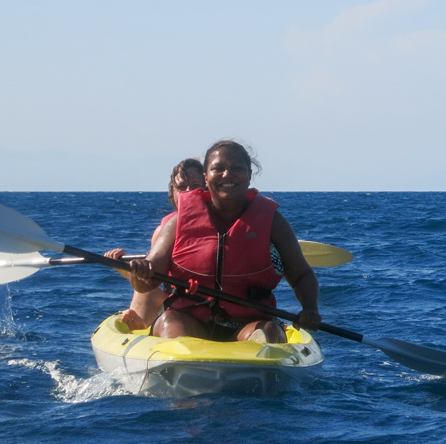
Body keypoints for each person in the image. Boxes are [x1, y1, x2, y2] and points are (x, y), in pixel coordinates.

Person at [120, 140, 322, 342]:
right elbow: (148, 282)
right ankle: (183, 364)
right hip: (189, 320)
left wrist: (310, 309)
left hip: (249, 324)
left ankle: (257, 363)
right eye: (218, 168)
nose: (227, 174)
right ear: (206, 177)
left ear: (250, 175)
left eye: (237, 168)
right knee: (169, 322)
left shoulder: (273, 222)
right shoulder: (178, 222)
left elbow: (302, 275)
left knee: (268, 332)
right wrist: (142, 273)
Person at [106, 158, 205, 330]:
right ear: (172, 193)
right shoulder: (164, 231)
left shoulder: (223, 225)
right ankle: (142, 322)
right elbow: (152, 279)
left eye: (195, 186)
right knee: (144, 280)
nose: (188, 192)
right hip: (177, 303)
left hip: (213, 301)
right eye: (181, 187)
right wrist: (124, 267)